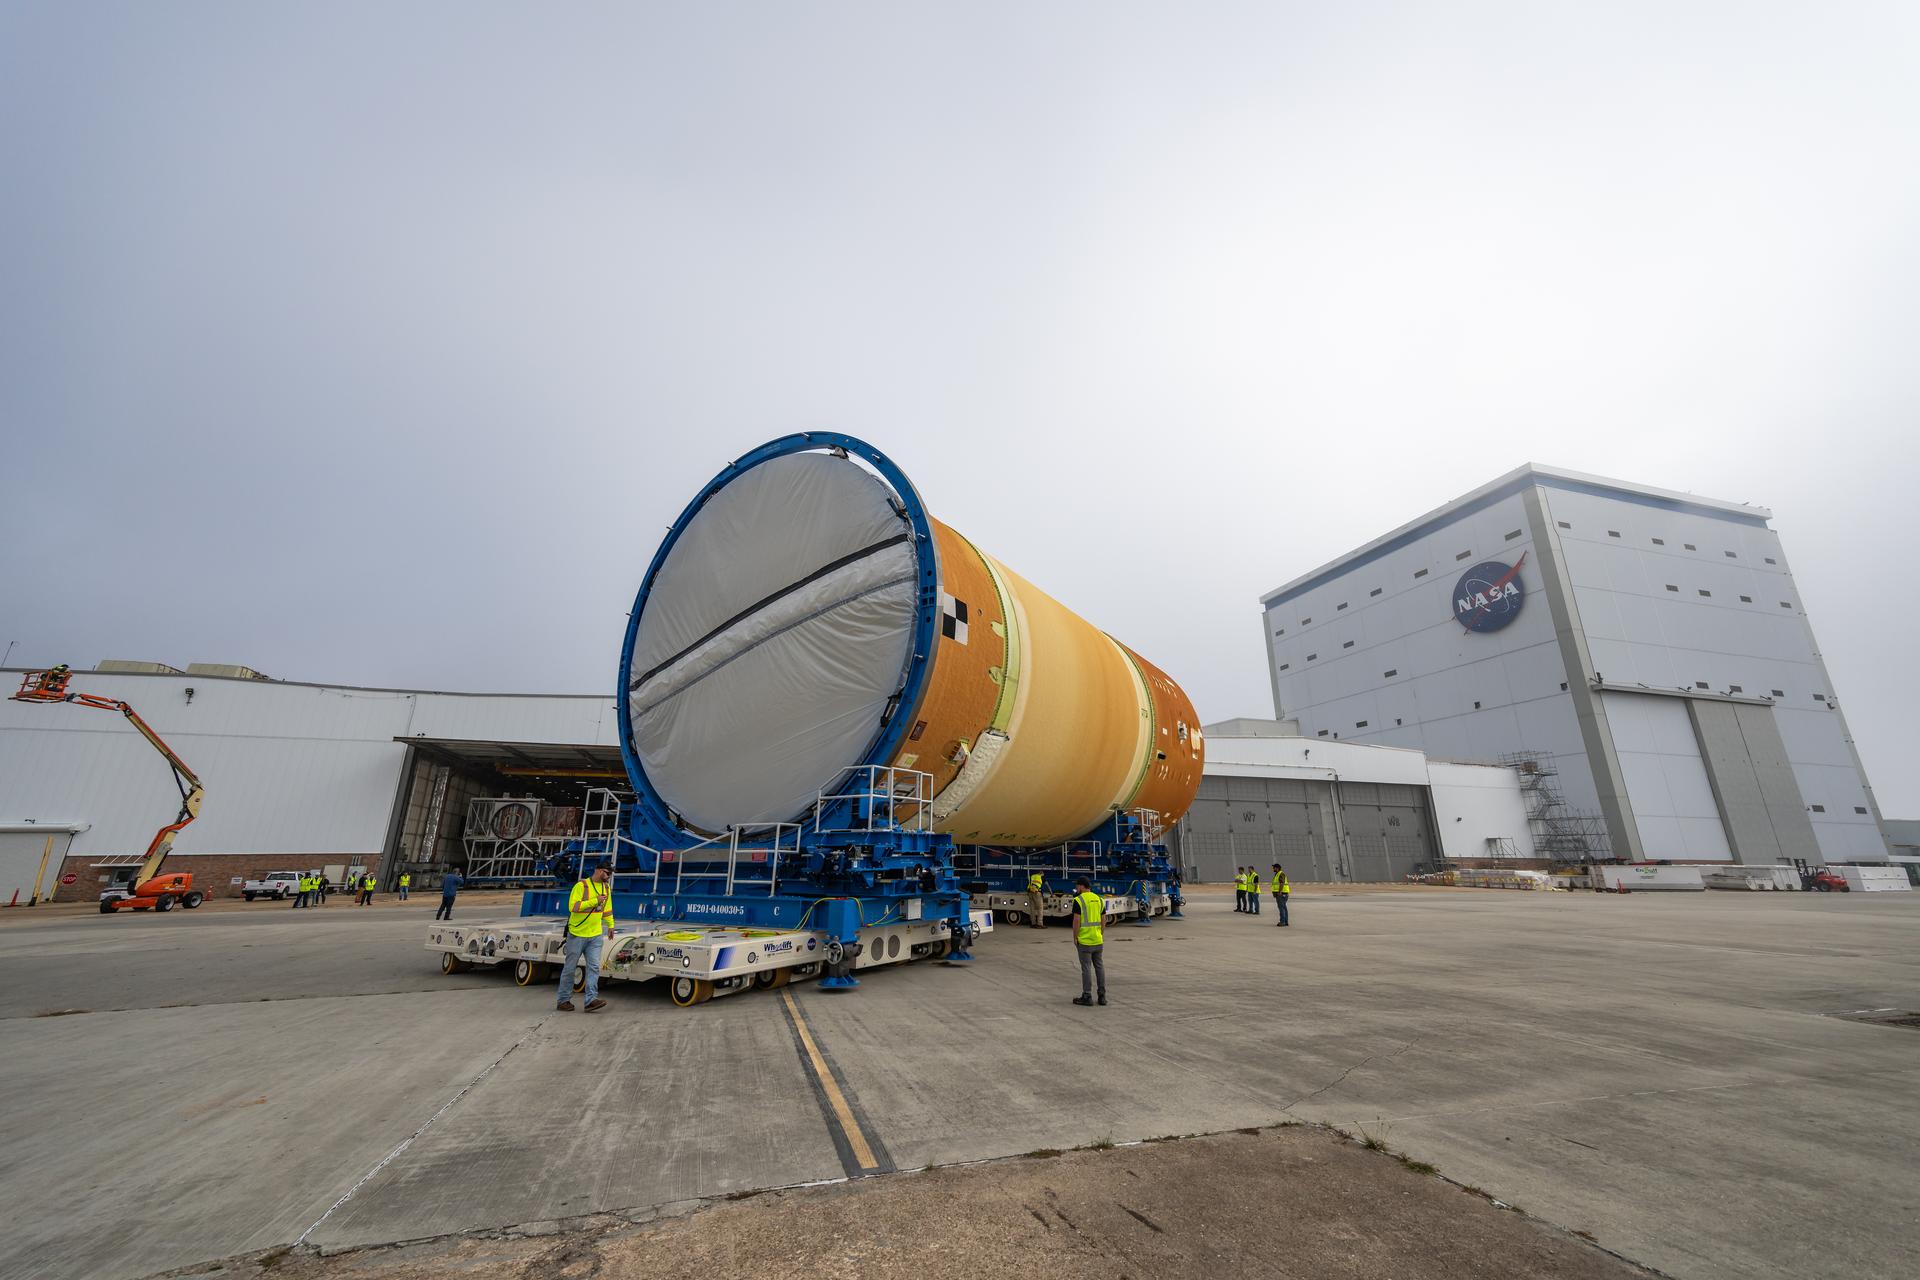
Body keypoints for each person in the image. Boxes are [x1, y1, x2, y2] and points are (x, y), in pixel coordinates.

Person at [556, 864, 615, 1013]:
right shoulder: (581, 886)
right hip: (577, 934)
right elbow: (573, 907)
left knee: (594, 967)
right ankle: (563, 1001)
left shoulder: (606, 888)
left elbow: (607, 910)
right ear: (600, 871)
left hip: (595, 935)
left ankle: (591, 1001)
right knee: (570, 968)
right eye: (607, 874)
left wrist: (611, 926)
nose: (609, 877)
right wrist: (594, 901)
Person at [1069, 876, 1106, 1007]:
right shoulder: (1099, 899)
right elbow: (1103, 919)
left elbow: (1076, 921)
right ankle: (1102, 996)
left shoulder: (1078, 900)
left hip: (1084, 941)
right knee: (1099, 967)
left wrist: (1075, 937)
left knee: (1086, 969)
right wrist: (1100, 933)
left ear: (1081, 886)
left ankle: (1087, 996)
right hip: (1098, 940)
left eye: (1077, 886)